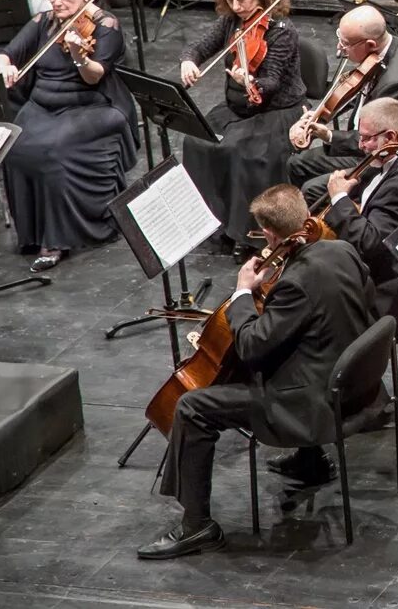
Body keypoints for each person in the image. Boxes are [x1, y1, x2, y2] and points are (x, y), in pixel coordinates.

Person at [138, 184, 375, 560]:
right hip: (352, 384)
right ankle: (311, 462)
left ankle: (197, 525)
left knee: (191, 407)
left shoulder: (295, 283)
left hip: (307, 405)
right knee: (295, 350)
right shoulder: (342, 249)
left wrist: (243, 294)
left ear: (269, 232)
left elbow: (249, 348)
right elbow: (351, 303)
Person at [0, 0, 138, 272]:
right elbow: (5, 53)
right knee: (12, 148)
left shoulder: (105, 26)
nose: (57, 2)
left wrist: (78, 56)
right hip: (43, 105)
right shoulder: (43, 21)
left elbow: (95, 76)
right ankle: (31, 233)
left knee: (51, 152)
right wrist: (4, 65)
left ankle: (56, 239)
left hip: (92, 105)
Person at [179, 0, 306, 260]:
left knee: (240, 152)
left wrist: (250, 81)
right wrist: (188, 60)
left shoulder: (281, 30)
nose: (237, 5)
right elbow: (198, 46)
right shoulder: (232, 22)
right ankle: (213, 220)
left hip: (276, 110)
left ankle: (244, 232)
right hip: (238, 108)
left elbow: (272, 82)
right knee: (196, 140)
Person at [320, 96, 398, 328]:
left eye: (367, 139)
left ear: (390, 137)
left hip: (390, 290)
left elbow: (370, 243)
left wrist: (339, 198)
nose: (361, 146)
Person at [287, 4, 398, 202]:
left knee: (308, 184)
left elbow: (376, 142)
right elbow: (356, 95)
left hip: (378, 155)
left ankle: (329, 223)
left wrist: (328, 135)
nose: (339, 48)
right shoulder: (383, 50)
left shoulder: (397, 82)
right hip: (366, 138)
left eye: (346, 44)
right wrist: (318, 116)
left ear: (370, 44)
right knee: (297, 162)